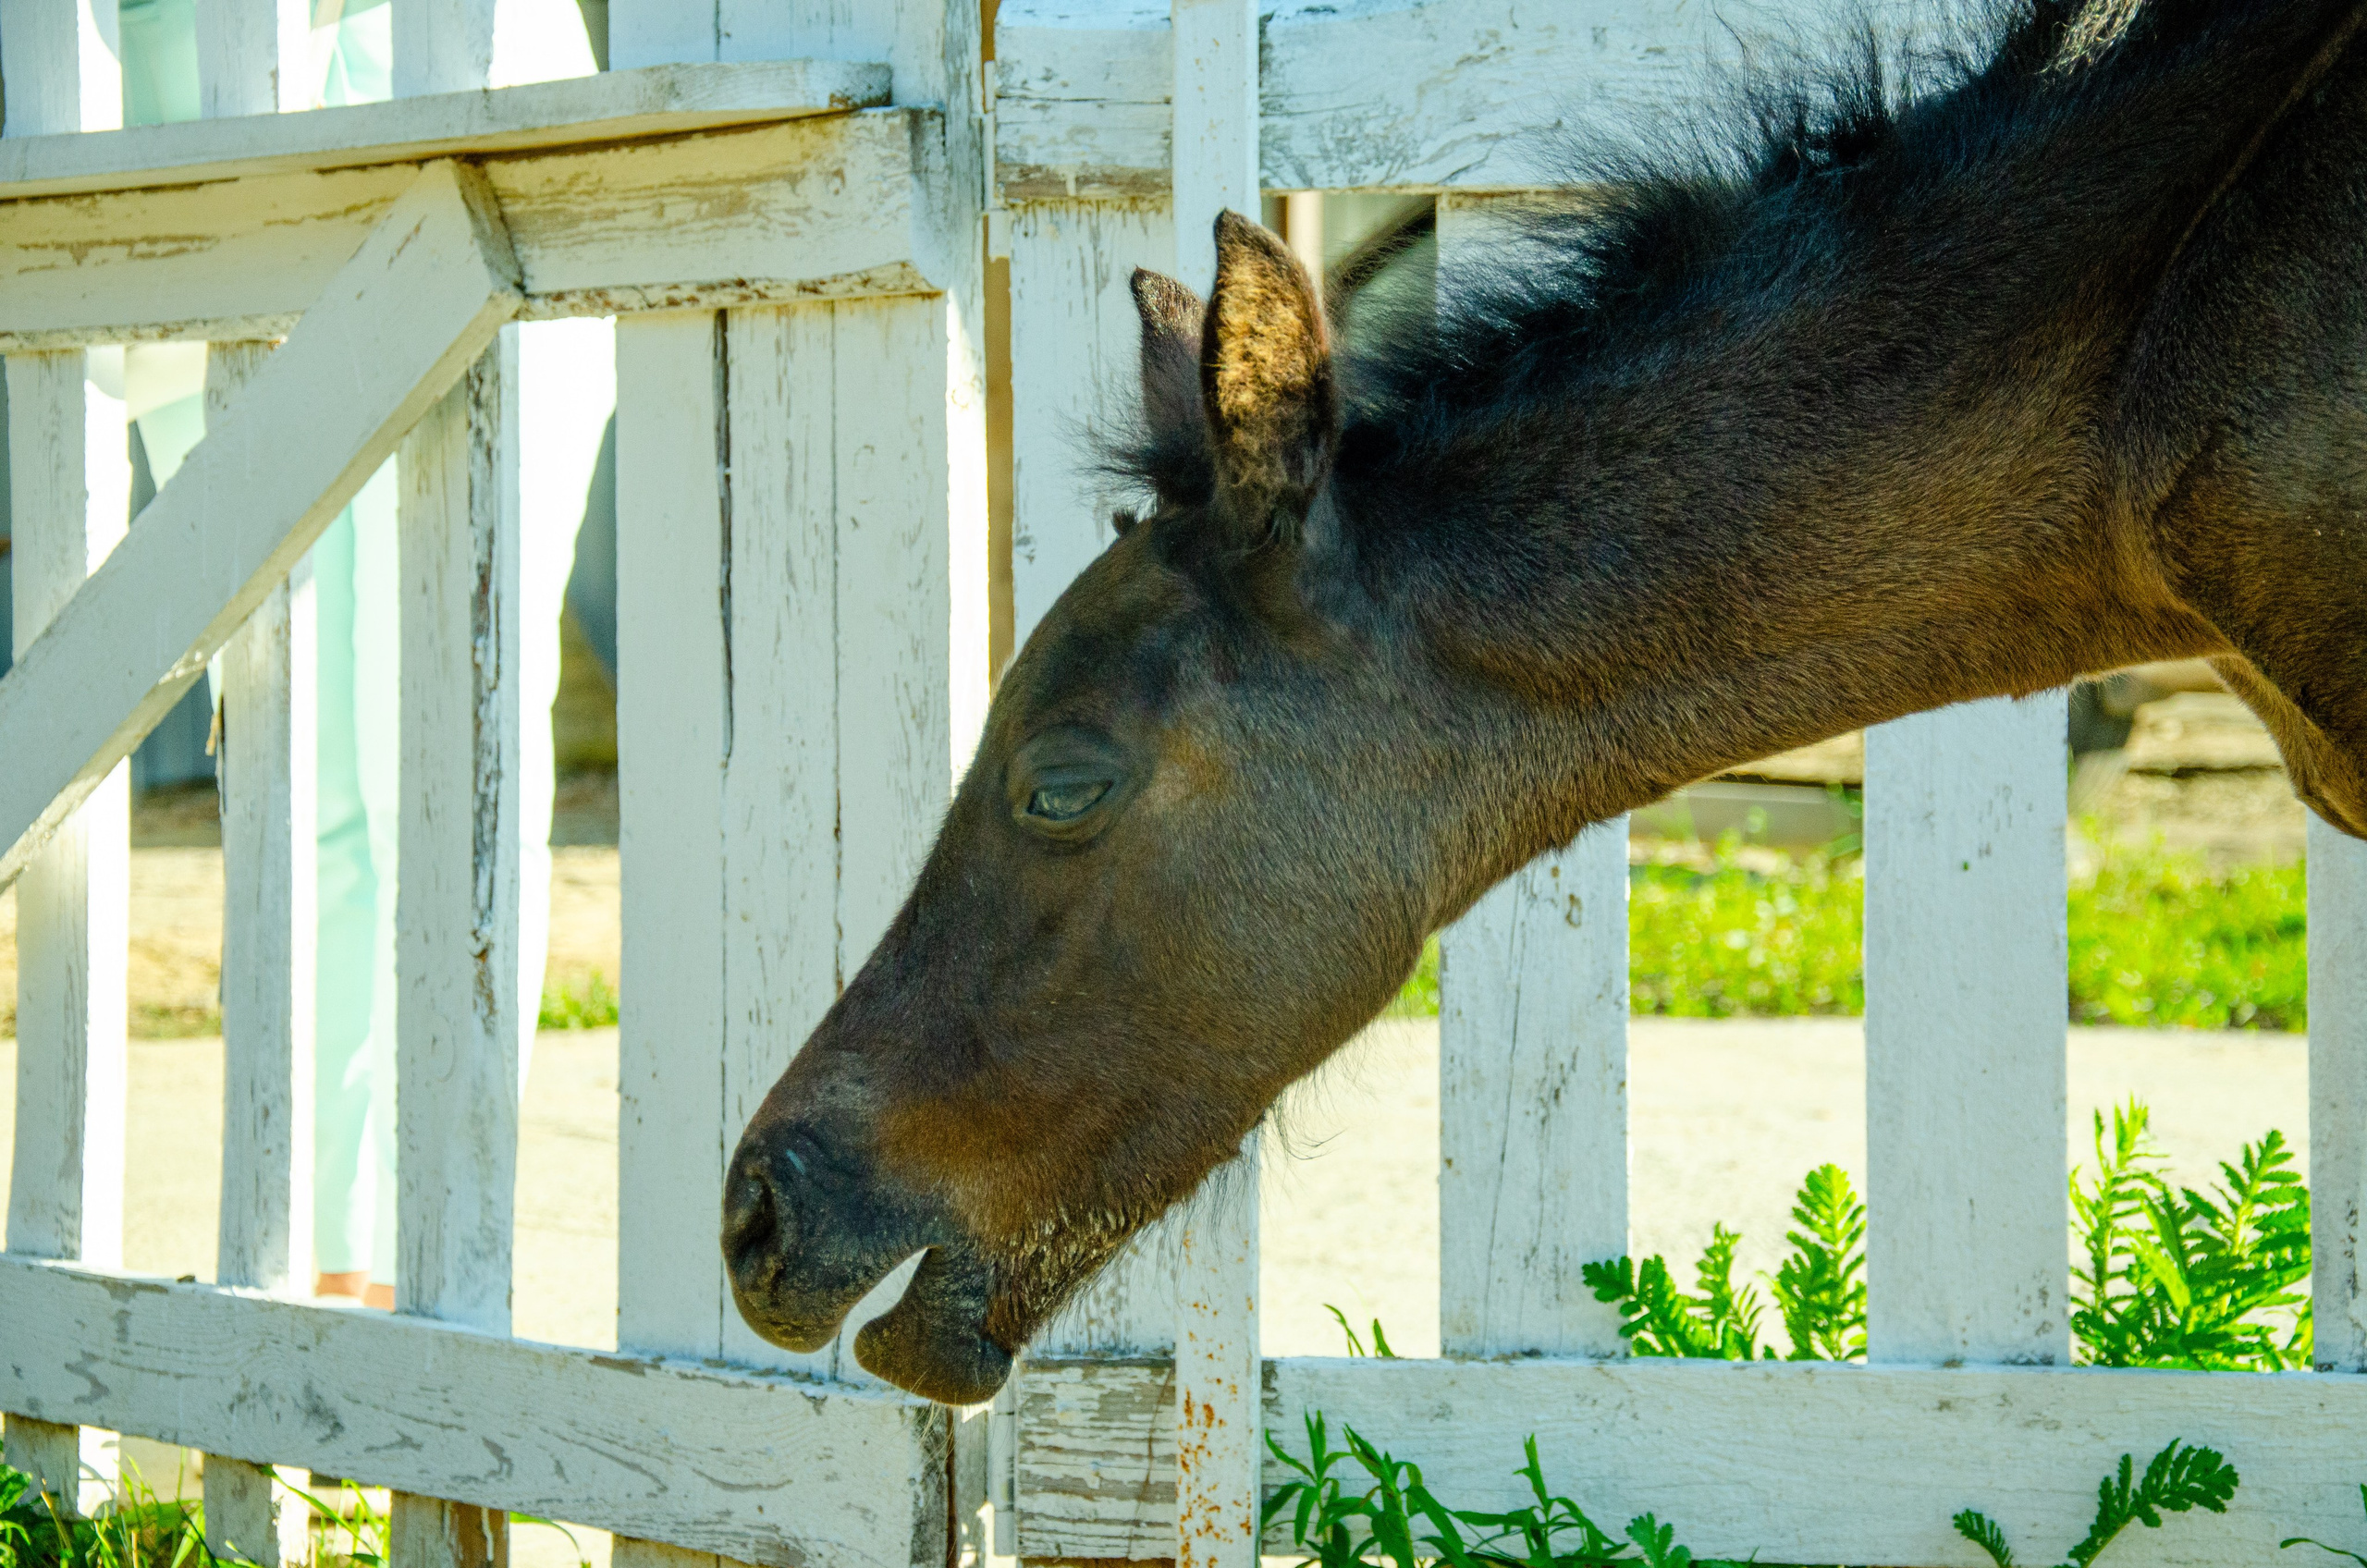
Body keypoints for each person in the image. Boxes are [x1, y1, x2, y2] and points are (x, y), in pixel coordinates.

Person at [114, 0, 616, 1308]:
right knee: (298, 765)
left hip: (474, 134)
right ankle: (335, 1260)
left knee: (446, 753)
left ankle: (436, 1265)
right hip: (238, 150)